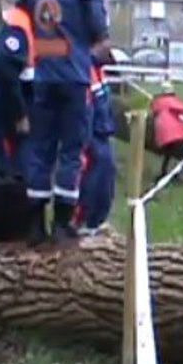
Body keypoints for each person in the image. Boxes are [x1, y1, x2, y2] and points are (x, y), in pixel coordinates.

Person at [24, 0, 110, 245]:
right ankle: (62, 224)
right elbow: (98, 32)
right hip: (76, 77)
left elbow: (36, 24)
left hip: (43, 74)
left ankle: (34, 225)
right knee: (72, 151)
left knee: (40, 148)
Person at [0, 0, 36, 178]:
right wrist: (20, 114)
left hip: (18, 118)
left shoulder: (32, 27)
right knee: (12, 182)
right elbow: (5, 70)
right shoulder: (18, 27)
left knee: (21, 181)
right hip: (8, 121)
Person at [74, 54, 117, 236]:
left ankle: (98, 221)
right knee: (92, 172)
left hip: (102, 133)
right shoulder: (82, 69)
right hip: (89, 135)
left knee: (107, 172)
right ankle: (81, 223)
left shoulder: (99, 70)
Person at [151, 82, 183, 182]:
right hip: (175, 133)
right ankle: (177, 173)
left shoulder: (157, 103)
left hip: (162, 135)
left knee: (168, 153)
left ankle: (164, 172)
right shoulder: (170, 101)